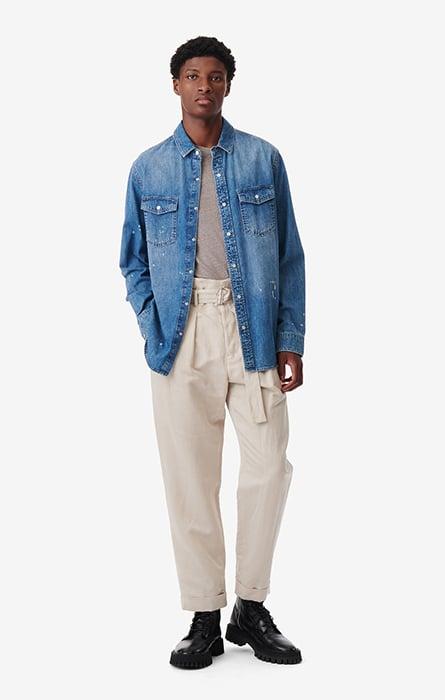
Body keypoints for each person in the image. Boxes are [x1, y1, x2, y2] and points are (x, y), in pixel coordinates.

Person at [119, 36, 306, 669]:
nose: (205, 85)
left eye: (216, 76)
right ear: (176, 84)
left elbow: (290, 255)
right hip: (181, 333)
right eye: (194, 76)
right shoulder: (147, 168)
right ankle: (203, 615)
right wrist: (153, 326)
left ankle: (250, 606)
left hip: (253, 327)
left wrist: (290, 337)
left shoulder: (262, 158)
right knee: (189, 478)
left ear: (229, 84)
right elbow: (133, 260)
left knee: (269, 466)